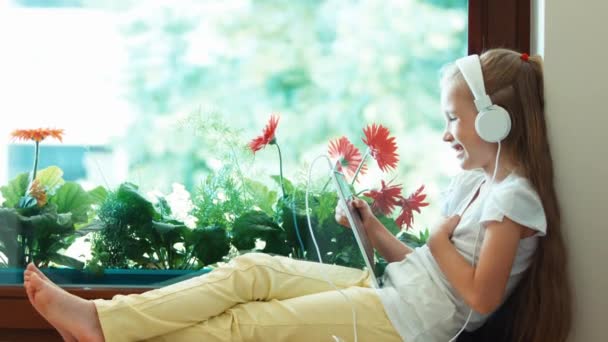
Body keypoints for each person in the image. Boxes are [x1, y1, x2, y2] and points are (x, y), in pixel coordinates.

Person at [23, 48, 572, 342]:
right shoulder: (479, 184)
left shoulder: (514, 200)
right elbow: (435, 268)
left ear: (499, 122)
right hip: (396, 288)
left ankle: (105, 332)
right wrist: (375, 233)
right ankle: (104, 321)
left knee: (247, 327)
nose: (446, 132)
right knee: (251, 271)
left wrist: (436, 239)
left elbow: (477, 297)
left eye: (455, 118)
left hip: (407, 323)